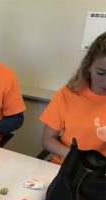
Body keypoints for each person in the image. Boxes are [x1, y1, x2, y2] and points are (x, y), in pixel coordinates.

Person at [40, 32, 106, 164]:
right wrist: (76, 158)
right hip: (67, 167)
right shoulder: (68, 94)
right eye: (101, 73)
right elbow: (47, 140)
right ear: (88, 66)